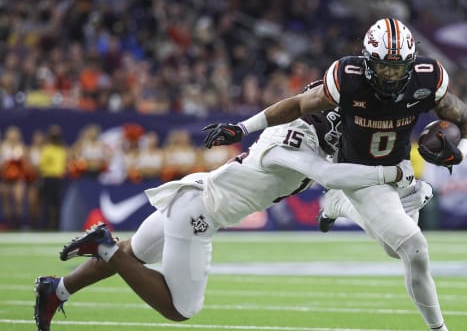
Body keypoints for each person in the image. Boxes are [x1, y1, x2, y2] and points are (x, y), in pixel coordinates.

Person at [33, 84, 418, 331]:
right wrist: (393, 172)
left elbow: (337, 175)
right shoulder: (295, 143)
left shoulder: (298, 131)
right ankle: (104, 247)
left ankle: (58, 290)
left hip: (194, 194)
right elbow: (329, 175)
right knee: (179, 309)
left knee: (135, 253)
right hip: (199, 214)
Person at [202, 18, 467, 331]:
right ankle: (439, 329)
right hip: (357, 170)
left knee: (394, 249)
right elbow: (297, 104)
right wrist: (242, 128)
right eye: (382, 67)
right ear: (366, 61)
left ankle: (337, 204)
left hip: (398, 171)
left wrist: (461, 152)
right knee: (415, 248)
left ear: (412, 64)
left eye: (398, 68)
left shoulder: (429, 80)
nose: (390, 75)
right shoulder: (348, 77)